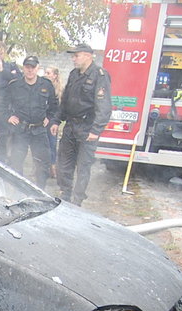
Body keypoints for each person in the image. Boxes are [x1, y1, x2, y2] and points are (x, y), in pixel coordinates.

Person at [50, 43, 111, 206]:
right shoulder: (73, 74)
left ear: (88, 56)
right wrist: (57, 120)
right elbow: (65, 101)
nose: (73, 59)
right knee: (64, 163)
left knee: (83, 167)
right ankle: (65, 195)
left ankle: (77, 201)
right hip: (70, 126)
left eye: (76, 55)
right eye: (73, 56)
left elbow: (104, 107)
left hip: (87, 127)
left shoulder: (100, 75)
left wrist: (96, 130)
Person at [5, 56, 58, 187]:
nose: (30, 70)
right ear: (23, 68)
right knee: (16, 162)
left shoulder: (46, 85)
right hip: (21, 129)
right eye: (27, 67)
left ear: (37, 68)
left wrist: (49, 118)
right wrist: (8, 116)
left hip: (39, 130)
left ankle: (39, 192)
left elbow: (54, 105)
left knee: (42, 164)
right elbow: (3, 103)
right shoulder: (15, 85)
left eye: (33, 67)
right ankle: (19, 190)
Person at [43, 66, 64, 179]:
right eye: (45, 72)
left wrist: (55, 120)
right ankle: (41, 167)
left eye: (48, 73)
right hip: (42, 119)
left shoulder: (59, 90)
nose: (46, 74)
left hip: (53, 120)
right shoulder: (42, 86)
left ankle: (52, 167)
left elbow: (60, 108)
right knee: (41, 144)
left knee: (51, 144)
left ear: (55, 75)